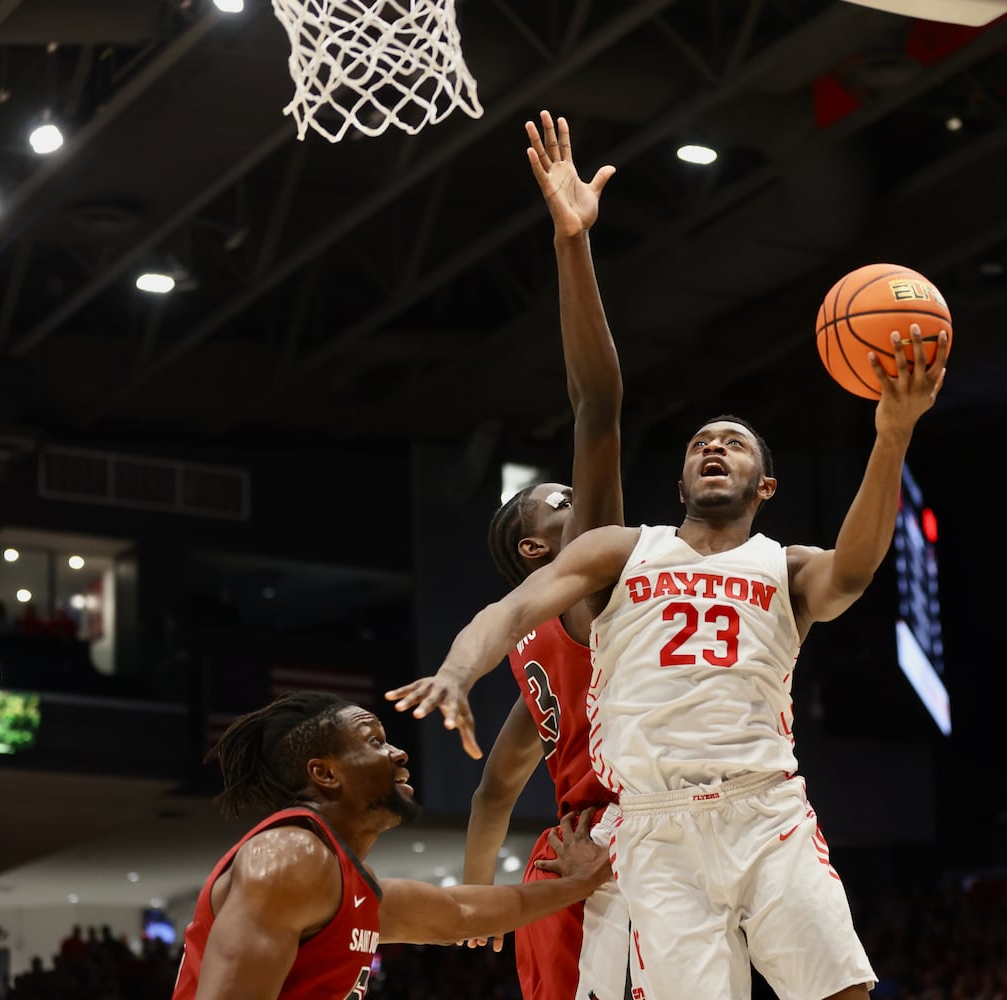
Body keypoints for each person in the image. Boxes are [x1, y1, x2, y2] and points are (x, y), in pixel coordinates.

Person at [387, 329, 947, 1000]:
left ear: (766, 486)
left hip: (763, 808)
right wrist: (457, 669)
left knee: (842, 994)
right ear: (677, 482)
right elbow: (509, 614)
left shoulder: (786, 565)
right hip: (650, 823)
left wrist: (891, 437)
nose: (714, 446)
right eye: (699, 443)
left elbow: (854, 571)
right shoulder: (620, 554)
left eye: (734, 442)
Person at [459, 108, 631, 1000]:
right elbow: (596, 406)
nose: (583, 498)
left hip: (554, 869)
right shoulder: (583, 594)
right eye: (562, 501)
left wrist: (478, 893)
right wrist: (574, 245)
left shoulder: (535, 658)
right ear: (538, 547)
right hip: (612, 856)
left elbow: (495, 788)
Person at [169, 690, 612, 1000]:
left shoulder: (345, 884)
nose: (399, 753)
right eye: (375, 742)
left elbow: (460, 914)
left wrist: (579, 883)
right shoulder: (290, 859)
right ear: (325, 774)